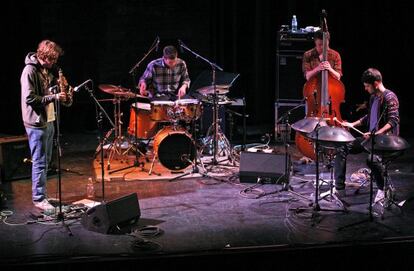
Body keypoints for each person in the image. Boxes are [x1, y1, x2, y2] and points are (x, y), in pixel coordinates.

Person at [334, 68, 400, 203]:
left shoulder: (390, 97)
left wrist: (376, 133)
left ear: (375, 83)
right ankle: (339, 190)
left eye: (367, 86)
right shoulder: (373, 97)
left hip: (385, 142)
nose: (365, 89)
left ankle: (383, 189)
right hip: (370, 139)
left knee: (372, 159)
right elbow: (368, 117)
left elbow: (394, 120)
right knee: (342, 147)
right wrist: (353, 124)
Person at [20, 40, 72, 211]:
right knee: (40, 162)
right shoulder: (29, 70)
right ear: (45, 56)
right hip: (36, 123)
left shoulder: (45, 70)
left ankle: (42, 194)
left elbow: (45, 93)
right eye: (53, 59)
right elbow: (30, 98)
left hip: (48, 120)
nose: (54, 63)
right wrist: (54, 97)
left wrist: (58, 91)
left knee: (46, 161)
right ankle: (39, 198)